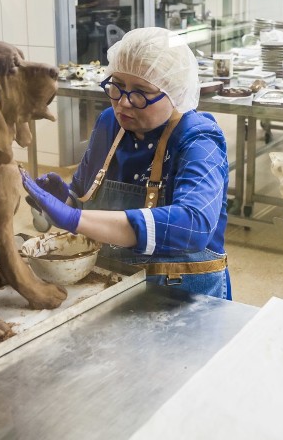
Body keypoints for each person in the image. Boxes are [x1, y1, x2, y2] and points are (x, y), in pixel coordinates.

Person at [22, 27, 231, 299]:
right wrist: (68, 202)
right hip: (112, 284)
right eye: (116, 85)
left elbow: (193, 225)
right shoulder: (110, 123)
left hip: (184, 296)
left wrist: (75, 218)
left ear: (175, 92)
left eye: (140, 92)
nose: (123, 103)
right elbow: (88, 206)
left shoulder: (198, 138)